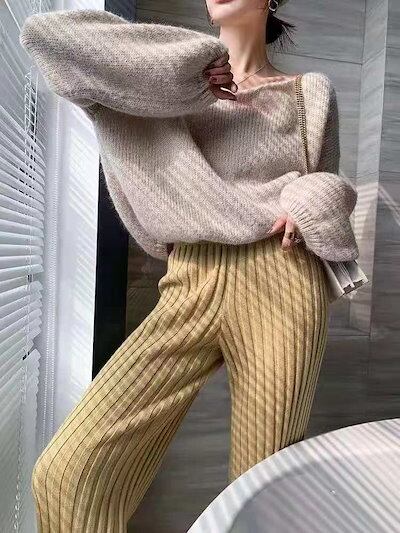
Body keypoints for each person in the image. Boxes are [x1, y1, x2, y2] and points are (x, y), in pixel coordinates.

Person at [19, 1, 359, 531]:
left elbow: (328, 182)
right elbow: (48, 36)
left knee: (260, 487)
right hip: (190, 277)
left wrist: (310, 202)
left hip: (284, 275)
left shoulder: (310, 91)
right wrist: (187, 68)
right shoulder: (166, 79)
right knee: (67, 471)